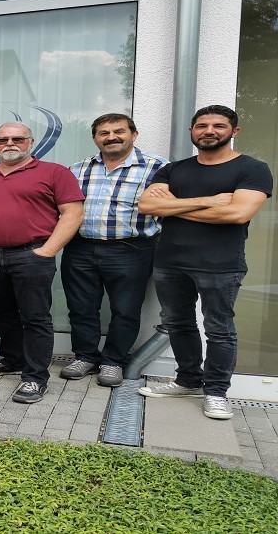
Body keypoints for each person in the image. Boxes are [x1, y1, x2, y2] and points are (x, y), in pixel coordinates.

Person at [137, 105, 272, 420]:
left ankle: (216, 392)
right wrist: (210, 201)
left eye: (218, 125)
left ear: (234, 131)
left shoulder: (252, 169)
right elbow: (146, 206)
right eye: (202, 125)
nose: (209, 131)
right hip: (170, 261)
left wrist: (173, 207)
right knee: (178, 324)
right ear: (192, 131)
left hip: (220, 264)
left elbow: (237, 213)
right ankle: (188, 381)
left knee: (219, 329)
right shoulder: (174, 169)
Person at [0, 122, 84, 404]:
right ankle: (12, 359)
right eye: (2, 139)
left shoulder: (54, 172)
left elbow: (73, 213)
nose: (10, 144)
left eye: (17, 138)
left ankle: (35, 377)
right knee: (1, 313)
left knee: (35, 318)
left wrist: (49, 249)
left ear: (31, 142)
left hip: (31, 255)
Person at [59, 114, 168, 387]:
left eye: (119, 131)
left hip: (131, 249)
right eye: (103, 133)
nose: (111, 137)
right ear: (95, 138)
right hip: (80, 248)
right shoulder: (78, 168)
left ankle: (113, 361)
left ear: (134, 134)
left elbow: (169, 208)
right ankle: (85, 356)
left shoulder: (158, 168)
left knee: (125, 310)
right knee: (81, 307)